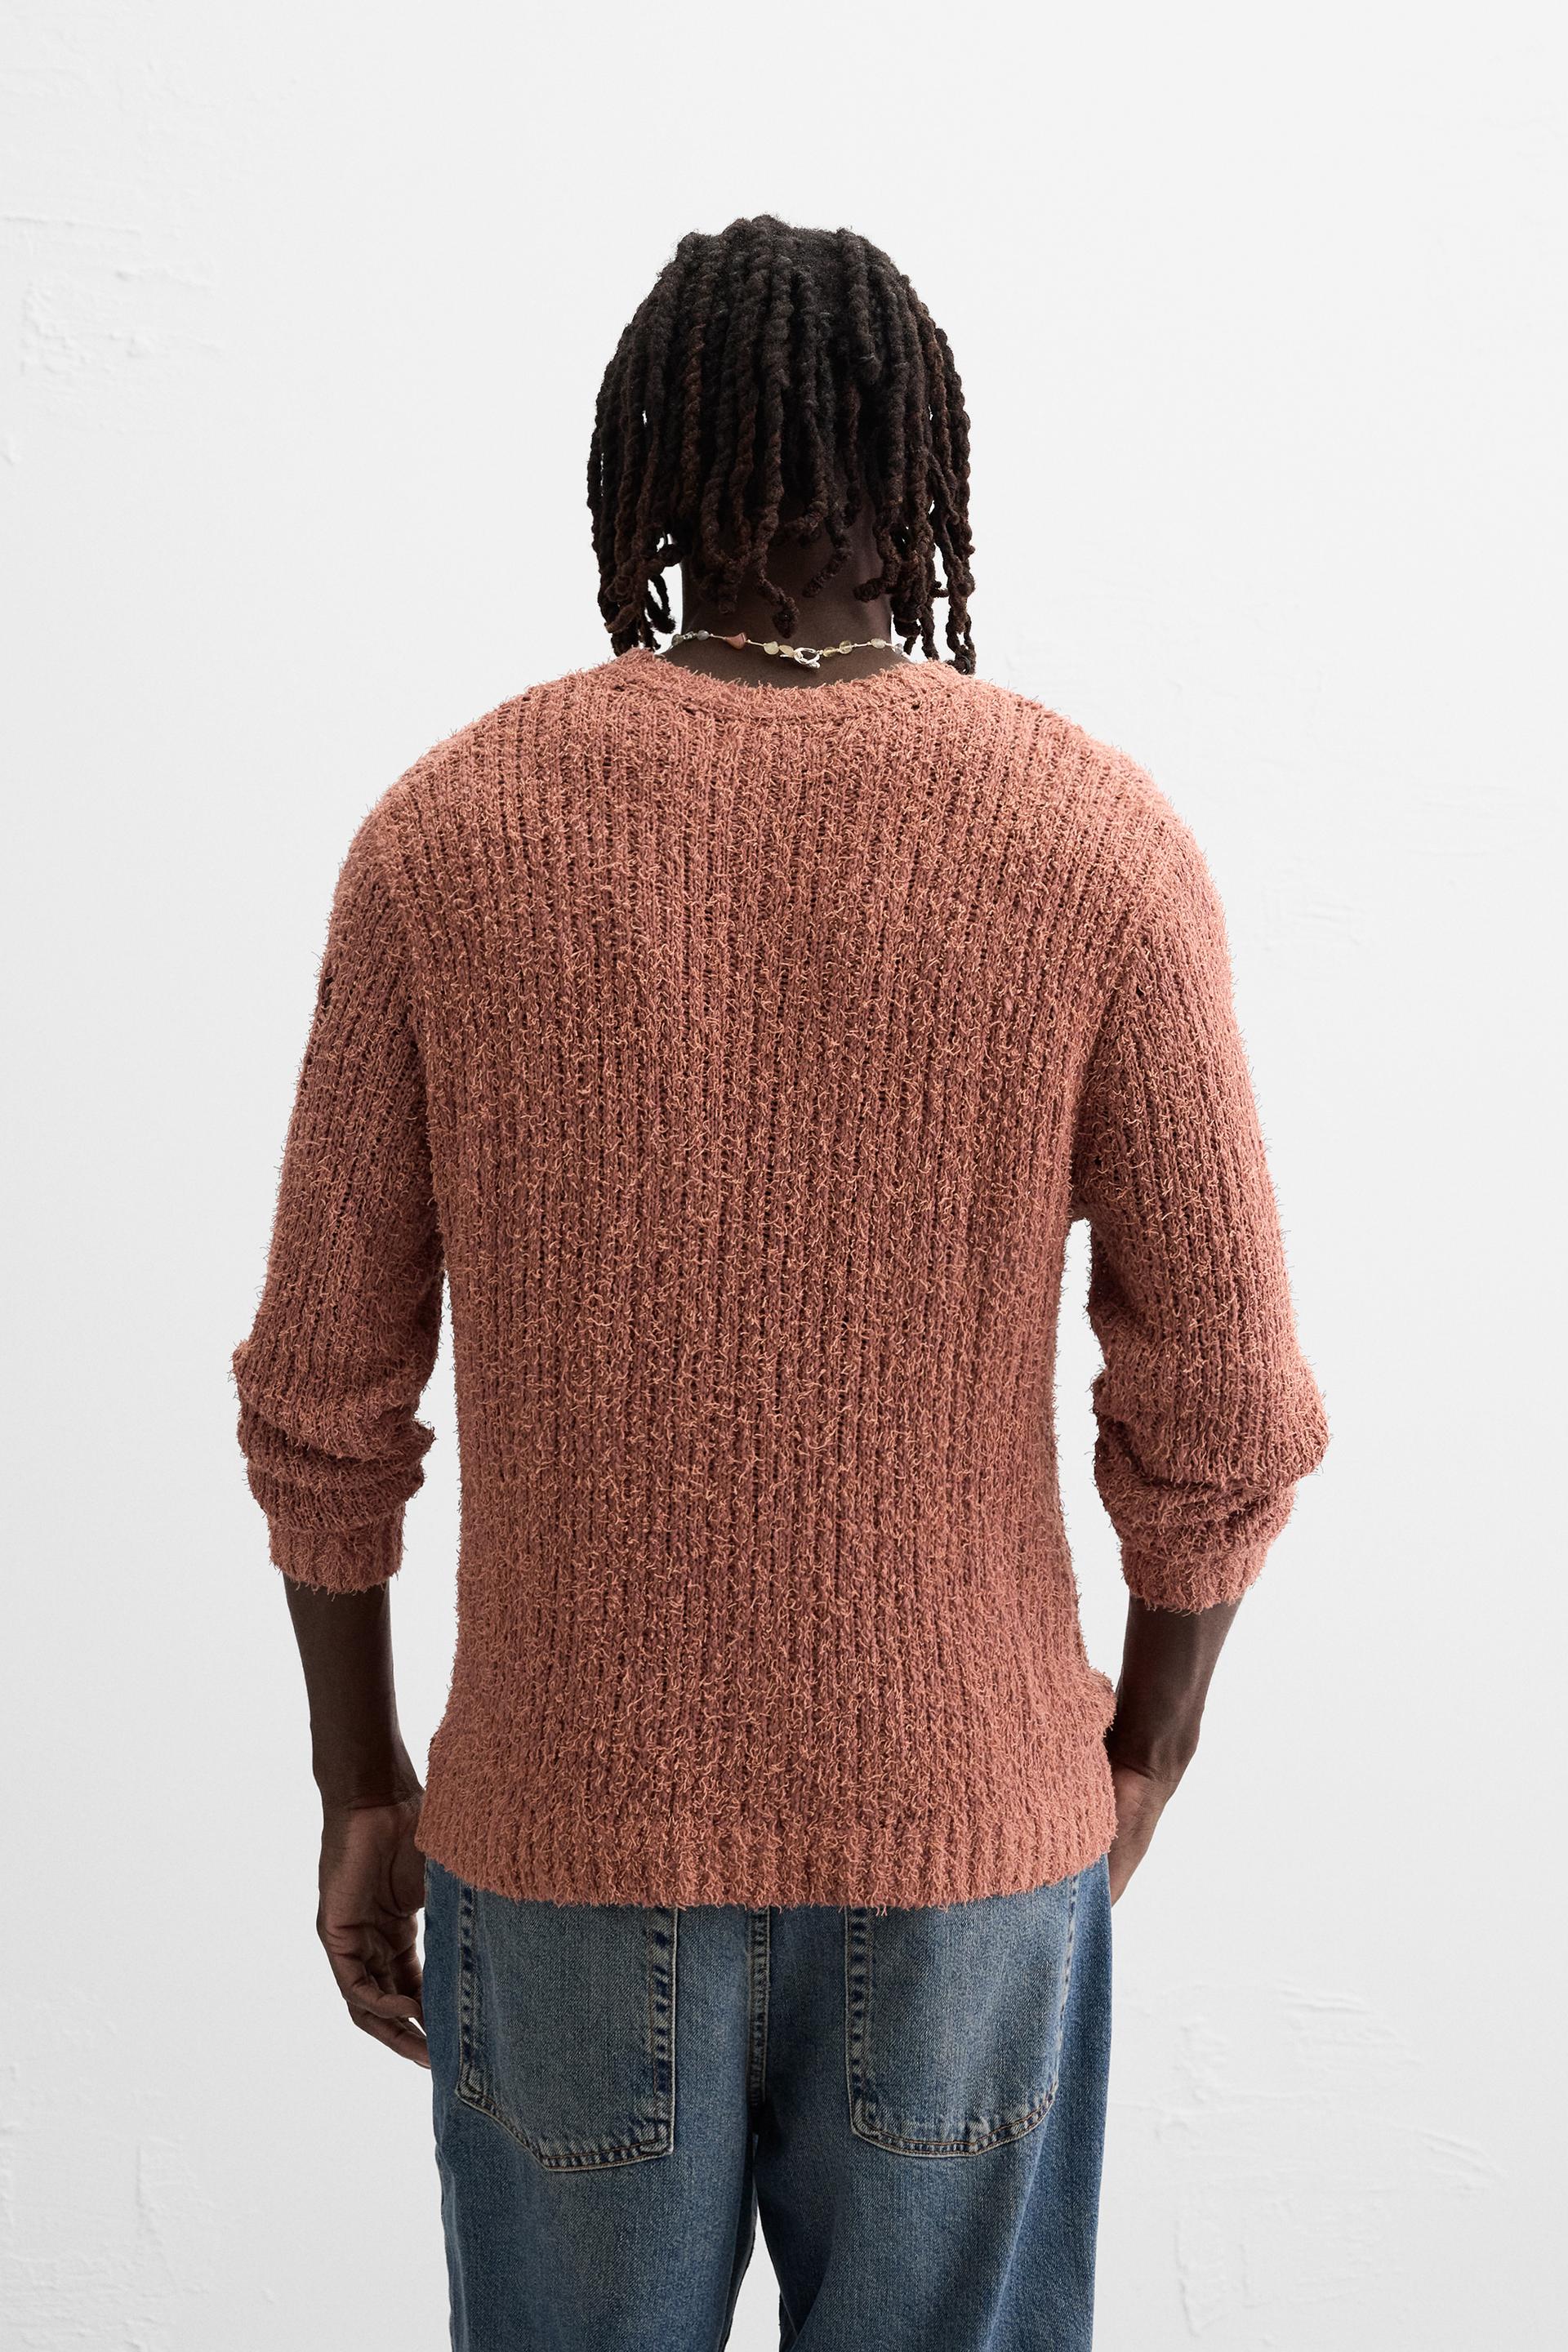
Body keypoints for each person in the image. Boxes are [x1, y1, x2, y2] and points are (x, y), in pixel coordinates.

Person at [233, 214, 1328, 2351]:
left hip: (559, 1830)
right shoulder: (1091, 842)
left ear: (648, 472)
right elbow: (1226, 1403)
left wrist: (362, 1786)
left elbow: (321, 1397)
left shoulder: (448, 840)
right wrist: (1148, 1749)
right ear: (925, 478)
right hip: (969, 1837)